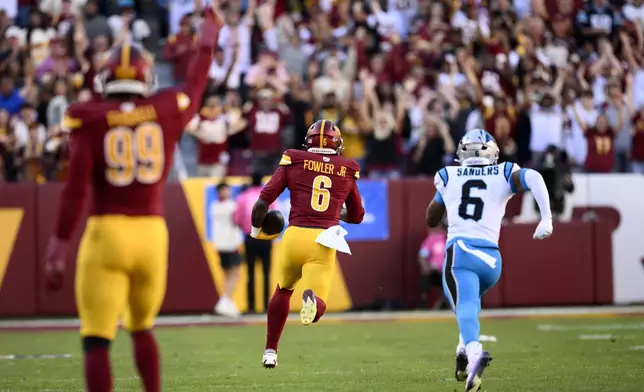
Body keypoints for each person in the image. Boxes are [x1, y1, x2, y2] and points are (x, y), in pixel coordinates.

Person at [42, 10, 220, 392]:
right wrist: (207, 40)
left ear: (106, 79)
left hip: (106, 233)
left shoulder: (89, 117)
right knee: (142, 330)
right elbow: (196, 82)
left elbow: (75, 188)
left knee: (96, 338)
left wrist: (59, 242)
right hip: (151, 235)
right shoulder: (166, 109)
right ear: (146, 79)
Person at [425, 129, 553, 392]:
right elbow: (535, 177)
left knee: (465, 305)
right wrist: (546, 217)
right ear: (492, 151)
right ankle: (462, 352)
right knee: (469, 305)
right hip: (492, 262)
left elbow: (431, 219)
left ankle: (473, 354)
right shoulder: (504, 172)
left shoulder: (448, 174)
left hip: (461, 252)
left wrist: (441, 201)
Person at [250, 119, 365, 368]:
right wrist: (335, 213)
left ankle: (270, 351)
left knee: (283, 290)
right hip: (323, 239)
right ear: (337, 144)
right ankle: (313, 302)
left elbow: (262, 202)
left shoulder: (294, 159)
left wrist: (255, 231)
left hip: (294, 236)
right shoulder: (346, 168)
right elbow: (357, 216)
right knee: (319, 303)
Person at [234, 172, 277, 314]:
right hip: (265, 237)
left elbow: (237, 219)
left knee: (250, 273)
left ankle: (251, 307)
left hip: (250, 236)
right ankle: (266, 306)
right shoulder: (269, 198)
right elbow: (275, 217)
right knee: (266, 273)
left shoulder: (243, 197)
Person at [210, 182, 243, 318]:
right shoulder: (229, 206)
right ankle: (225, 300)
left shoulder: (215, 206)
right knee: (234, 274)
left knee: (230, 274)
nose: (227, 192)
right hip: (229, 243)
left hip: (223, 243)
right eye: (224, 190)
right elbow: (237, 220)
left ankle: (227, 301)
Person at [418, 222, 448, 309]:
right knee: (425, 277)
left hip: (449, 272)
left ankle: (446, 302)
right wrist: (426, 267)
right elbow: (422, 255)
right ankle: (423, 302)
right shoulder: (432, 239)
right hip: (434, 271)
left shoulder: (453, 240)